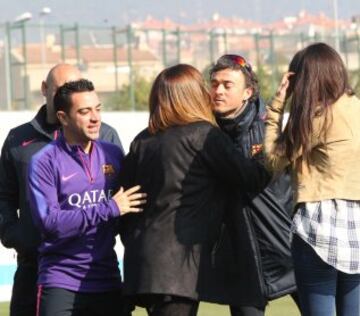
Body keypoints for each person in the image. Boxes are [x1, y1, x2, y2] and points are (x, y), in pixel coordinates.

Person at [118, 64, 271, 316]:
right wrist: (269, 147)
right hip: (177, 270)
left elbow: (125, 203)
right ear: (191, 95)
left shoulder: (142, 140)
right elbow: (251, 177)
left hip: (144, 263)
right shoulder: (204, 135)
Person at [0, 64, 123, 316]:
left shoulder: (108, 139)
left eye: (96, 108)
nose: (93, 116)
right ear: (47, 91)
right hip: (40, 266)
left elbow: (124, 201)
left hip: (101, 270)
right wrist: (18, 237)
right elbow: (4, 197)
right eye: (62, 89)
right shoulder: (19, 140)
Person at [27, 79, 146, 316]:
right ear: (63, 117)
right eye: (84, 111)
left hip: (108, 280)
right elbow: (49, 223)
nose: (95, 118)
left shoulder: (112, 154)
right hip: (60, 281)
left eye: (98, 109)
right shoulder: (43, 161)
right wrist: (109, 208)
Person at [264, 42, 360, 316]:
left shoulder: (317, 116)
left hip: (319, 222)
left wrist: (276, 107)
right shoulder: (356, 107)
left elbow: (273, 159)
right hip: (356, 221)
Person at [208, 54, 299, 316]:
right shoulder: (205, 134)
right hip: (241, 260)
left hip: (286, 249)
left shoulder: (269, 130)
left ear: (247, 92)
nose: (218, 91)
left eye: (227, 84)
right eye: (214, 84)